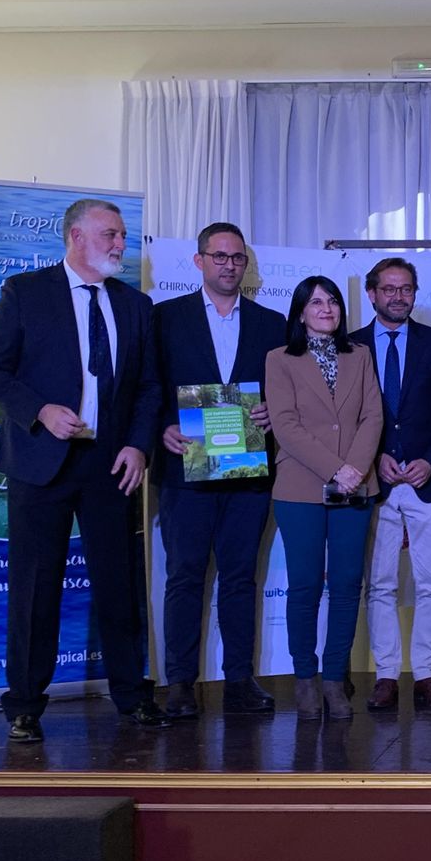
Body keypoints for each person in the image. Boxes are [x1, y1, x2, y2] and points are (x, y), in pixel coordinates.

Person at [0, 198, 167, 741]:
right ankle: (25, 705)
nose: (120, 245)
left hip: (111, 463)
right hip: (41, 462)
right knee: (36, 587)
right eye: (111, 234)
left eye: (122, 235)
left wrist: (138, 447)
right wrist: (38, 409)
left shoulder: (135, 305)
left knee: (119, 583)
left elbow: (150, 387)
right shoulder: (26, 292)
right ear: (77, 236)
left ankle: (132, 696)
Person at [152, 221, 285, 718]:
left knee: (238, 578)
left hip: (248, 471)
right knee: (184, 577)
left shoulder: (271, 324)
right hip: (185, 467)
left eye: (237, 258)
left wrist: (274, 409)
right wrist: (159, 430)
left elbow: (287, 391)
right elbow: (146, 388)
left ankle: (239, 680)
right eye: (220, 256)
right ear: (199, 260)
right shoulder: (164, 318)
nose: (229, 265)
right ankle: (181, 683)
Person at [351, 257, 431, 710]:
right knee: (380, 583)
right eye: (389, 289)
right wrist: (371, 457)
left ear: (415, 294)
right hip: (375, 481)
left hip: (429, 481)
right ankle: (385, 674)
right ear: (372, 294)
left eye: (406, 289)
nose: (398, 296)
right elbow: (344, 418)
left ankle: (426, 672)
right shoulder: (351, 346)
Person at [264, 276, 382, 720]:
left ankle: (335, 679)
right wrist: (338, 469)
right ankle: (305, 680)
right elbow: (285, 424)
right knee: (306, 585)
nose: (327, 308)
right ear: (300, 311)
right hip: (300, 488)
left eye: (332, 301)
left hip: (357, 488)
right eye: (316, 302)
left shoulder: (361, 355)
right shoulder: (280, 359)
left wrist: (355, 469)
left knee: (348, 584)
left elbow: (373, 415)